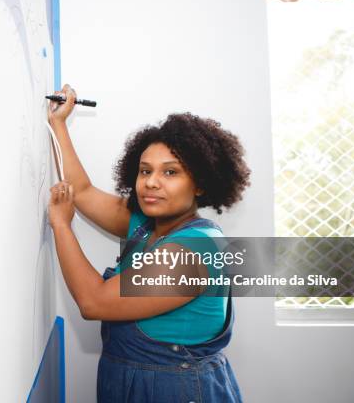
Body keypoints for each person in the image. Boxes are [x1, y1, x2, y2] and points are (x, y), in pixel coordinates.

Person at [47, 84, 251, 402]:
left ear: (199, 184)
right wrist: (58, 123)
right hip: (130, 384)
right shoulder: (145, 226)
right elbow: (83, 192)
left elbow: (93, 302)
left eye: (170, 172)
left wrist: (62, 225)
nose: (151, 182)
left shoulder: (194, 251)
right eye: (145, 171)